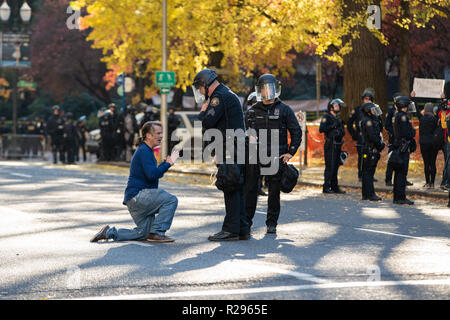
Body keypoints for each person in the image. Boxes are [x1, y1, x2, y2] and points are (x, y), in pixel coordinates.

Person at [90, 121, 179, 243]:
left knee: (143, 233)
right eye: (158, 133)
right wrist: (168, 164)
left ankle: (108, 232)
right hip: (139, 196)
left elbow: (152, 173)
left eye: (161, 133)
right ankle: (157, 233)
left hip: (133, 200)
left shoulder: (145, 150)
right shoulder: (144, 151)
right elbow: (152, 175)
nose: (161, 136)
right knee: (171, 200)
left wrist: (165, 163)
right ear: (148, 135)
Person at [193, 68, 249, 241]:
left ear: (205, 84)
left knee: (230, 186)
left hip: (230, 146)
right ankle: (242, 228)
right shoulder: (226, 93)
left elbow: (206, 122)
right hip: (233, 145)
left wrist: (202, 111)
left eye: (200, 88)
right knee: (235, 185)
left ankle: (230, 230)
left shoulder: (218, 97)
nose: (201, 92)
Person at [244, 74, 302, 235]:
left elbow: (296, 132)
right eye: (263, 88)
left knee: (274, 193)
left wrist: (290, 152)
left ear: (276, 89)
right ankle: (246, 223)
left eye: (269, 88)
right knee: (250, 191)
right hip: (255, 158)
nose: (266, 92)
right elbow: (243, 132)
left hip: (277, 157)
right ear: (259, 90)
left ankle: (271, 223)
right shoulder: (253, 110)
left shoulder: (284, 109)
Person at [390, 96, 416, 205]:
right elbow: (407, 133)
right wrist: (413, 132)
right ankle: (401, 197)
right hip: (403, 147)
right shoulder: (403, 117)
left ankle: (397, 197)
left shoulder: (396, 115)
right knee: (402, 173)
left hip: (398, 146)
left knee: (397, 174)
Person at [319, 98, 346, 194]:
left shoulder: (337, 118)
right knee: (330, 166)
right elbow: (321, 129)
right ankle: (326, 187)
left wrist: (340, 129)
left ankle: (335, 186)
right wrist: (332, 126)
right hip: (330, 145)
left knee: (336, 166)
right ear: (331, 107)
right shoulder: (327, 117)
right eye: (336, 106)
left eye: (338, 106)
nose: (338, 107)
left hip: (338, 144)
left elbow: (342, 131)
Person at [347, 88, 375, 182]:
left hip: (371, 137)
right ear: (363, 99)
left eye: (369, 99)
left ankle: (370, 175)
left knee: (372, 156)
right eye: (366, 99)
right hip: (361, 137)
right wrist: (354, 134)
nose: (367, 101)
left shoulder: (374, 110)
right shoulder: (358, 109)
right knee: (362, 157)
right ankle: (361, 175)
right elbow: (349, 123)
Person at [360, 102, 385, 201]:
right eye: (372, 109)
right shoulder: (368, 121)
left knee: (368, 172)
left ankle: (366, 194)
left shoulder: (371, 120)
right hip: (370, 150)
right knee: (368, 173)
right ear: (367, 111)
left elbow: (380, 129)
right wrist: (380, 145)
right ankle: (370, 194)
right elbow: (373, 136)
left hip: (369, 149)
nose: (374, 111)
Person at [416, 103, 439, 189]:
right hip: (433, 144)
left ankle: (427, 182)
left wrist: (414, 99)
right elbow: (440, 109)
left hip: (424, 143)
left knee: (426, 163)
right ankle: (432, 183)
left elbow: (416, 109)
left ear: (425, 109)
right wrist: (441, 100)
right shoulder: (435, 119)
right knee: (433, 163)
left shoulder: (421, 118)